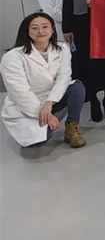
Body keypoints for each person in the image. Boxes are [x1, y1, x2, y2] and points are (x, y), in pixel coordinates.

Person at [0, 12, 86, 148]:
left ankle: (72, 127)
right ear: (27, 31)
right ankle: (46, 121)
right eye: (34, 28)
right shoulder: (13, 57)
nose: (40, 31)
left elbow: (64, 77)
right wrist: (47, 115)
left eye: (45, 27)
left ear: (52, 29)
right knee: (40, 140)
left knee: (76, 87)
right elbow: (20, 93)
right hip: (27, 105)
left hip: (51, 99)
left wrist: (49, 102)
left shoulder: (62, 48)